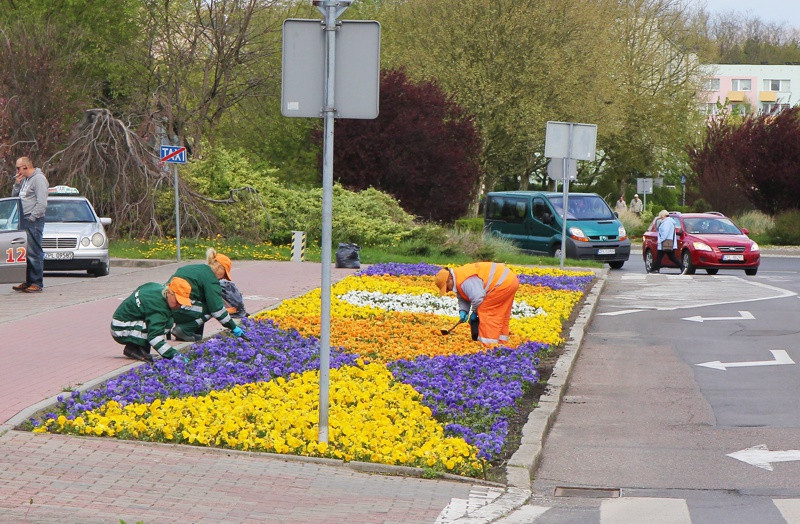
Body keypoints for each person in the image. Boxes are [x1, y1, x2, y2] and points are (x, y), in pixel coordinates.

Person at [434, 262, 520, 347]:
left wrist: (475, 312)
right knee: (500, 315)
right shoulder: (459, 277)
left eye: (447, 287)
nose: (448, 290)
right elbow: (463, 296)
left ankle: (488, 347)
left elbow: (478, 297)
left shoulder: (465, 280)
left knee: (487, 313)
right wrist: (463, 311)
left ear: (449, 279)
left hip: (501, 284)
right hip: (510, 281)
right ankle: (502, 345)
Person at [168, 247, 245, 341]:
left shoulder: (195, 268)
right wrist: (233, 327)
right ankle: (183, 330)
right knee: (210, 309)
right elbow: (217, 309)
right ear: (219, 267)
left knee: (200, 303)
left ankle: (186, 330)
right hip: (177, 307)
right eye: (224, 274)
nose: (223, 278)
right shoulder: (211, 279)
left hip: (166, 305)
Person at [111, 277, 194, 362]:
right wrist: (175, 356)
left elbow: (141, 288)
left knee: (168, 322)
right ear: (169, 293)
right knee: (157, 327)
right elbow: (155, 337)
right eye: (177, 301)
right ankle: (133, 348)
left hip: (123, 321)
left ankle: (140, 347)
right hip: (120, 328)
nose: (179, 305)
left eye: (182, 303)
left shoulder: (157, 287)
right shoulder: (159, 307)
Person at [11, 156, 48, 293]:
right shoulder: (25, 180)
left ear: (26, 167)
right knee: (25, 252)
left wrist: (32, 218)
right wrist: (17, 184)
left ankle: (37, 282)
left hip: (33, 220)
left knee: (34, 252)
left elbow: (42, 203)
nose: (17, 170)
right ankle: (28, 280)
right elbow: (15, 197)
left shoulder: (38, 179)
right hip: (23, 218)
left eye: (18, 167)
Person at [651, 210, 684, 274]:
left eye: (661, 217)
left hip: (665, 243)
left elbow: (665, 233)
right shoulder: (670, 222)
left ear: (663, 216)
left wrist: (660, 241)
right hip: (669, 243)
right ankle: (655, 269)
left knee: (662, 257)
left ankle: (655, 269)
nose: (661, 218)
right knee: (667, 257)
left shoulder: (666, 223)